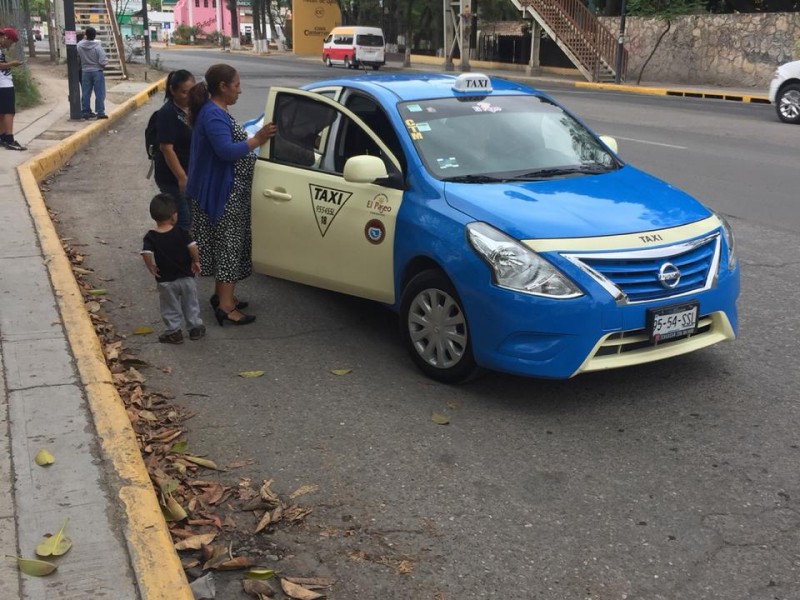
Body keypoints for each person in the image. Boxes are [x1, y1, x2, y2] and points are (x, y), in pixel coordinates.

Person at [185, 64, 276, 327]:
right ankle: (226, 307)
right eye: (236, 85)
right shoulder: (213, 115)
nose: (240, 90)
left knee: (228, 245)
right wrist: (256, 140)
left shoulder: (217, 112)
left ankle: (222, 296)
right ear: (222, 87)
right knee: (228, 247)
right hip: (223, 195)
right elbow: (226, 151)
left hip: (227, 192)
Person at [141, 193, 205, 344]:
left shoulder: (151, 236)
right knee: (191, 303)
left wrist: (151, 266)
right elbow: (193, 247)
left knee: (169, 306)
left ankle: (174, 331)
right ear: (174, 216)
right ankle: (195, 328)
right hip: (186, 276)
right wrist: (196, 261)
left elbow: (146, 253)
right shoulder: (181, 232)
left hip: (166, 280)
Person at [154, 70, 195, 231]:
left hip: (190, 174)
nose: (189, 96)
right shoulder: (168, 113)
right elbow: (166, 148)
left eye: (192, 91)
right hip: (172, 178)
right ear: (173, 90)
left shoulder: (192, 110)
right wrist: (181, 177)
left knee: (190, 217)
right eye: (184, 92)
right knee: (183, 219)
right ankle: (179, 254)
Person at [0, 28, 26, 151]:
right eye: (11, 42)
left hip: (3, 83)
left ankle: (3, 136)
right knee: (9, 112)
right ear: (6, 37)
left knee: (2, 112)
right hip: (3, 84)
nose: (10, 45)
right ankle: (9, 139)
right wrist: (12, 64)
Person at [76, 26, 108, 120]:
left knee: (86, 93)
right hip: (97, 71)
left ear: (86, 35)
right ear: (94, 36)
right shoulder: (97, 47)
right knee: (99, 93)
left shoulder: (79, 45)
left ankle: (85, 112)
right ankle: (100, 112)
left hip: (85, 71)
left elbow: (78, 56)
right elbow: (103, 61)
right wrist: (102, 66)